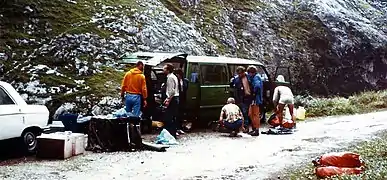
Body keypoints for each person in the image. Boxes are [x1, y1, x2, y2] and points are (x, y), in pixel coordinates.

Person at [231, 66, 253, 132]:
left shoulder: (249, 77)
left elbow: (252, 86)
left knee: (246, 113)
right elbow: (235, 88)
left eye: (241, 73)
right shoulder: (236, 79)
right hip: (241, 98)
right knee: (242, 113)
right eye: (239, 74)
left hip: (248, 97)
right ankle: (242, 127)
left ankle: (246, 126)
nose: (240, 75)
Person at [163, 63, 180, 138]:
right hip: (176, 98)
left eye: (164, 68)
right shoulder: (174, 76)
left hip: (173, 98)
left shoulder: (170, 78)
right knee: (173, 116)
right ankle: (173, 133)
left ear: (168, 70)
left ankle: (170, 134)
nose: (163, 70)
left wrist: (168, 100)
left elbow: (171, 91)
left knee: (169, 117)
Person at [247, 65, 263, 136]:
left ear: (251, 72)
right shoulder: (257, 76)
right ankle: (254, 128)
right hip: (255, 98)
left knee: (255, 114)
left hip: (255, 98)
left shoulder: (256, 78)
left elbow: (257, 86)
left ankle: (256, 130)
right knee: (251, 114)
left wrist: (253, 93)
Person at [174, 68, 189, 135]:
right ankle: (176, 128)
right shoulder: (175, 80)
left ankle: (180, 128)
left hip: (183, 98)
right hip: (177, 97)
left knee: (181, 114)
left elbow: (186, 88)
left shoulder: (185, 80)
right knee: (176, 114)